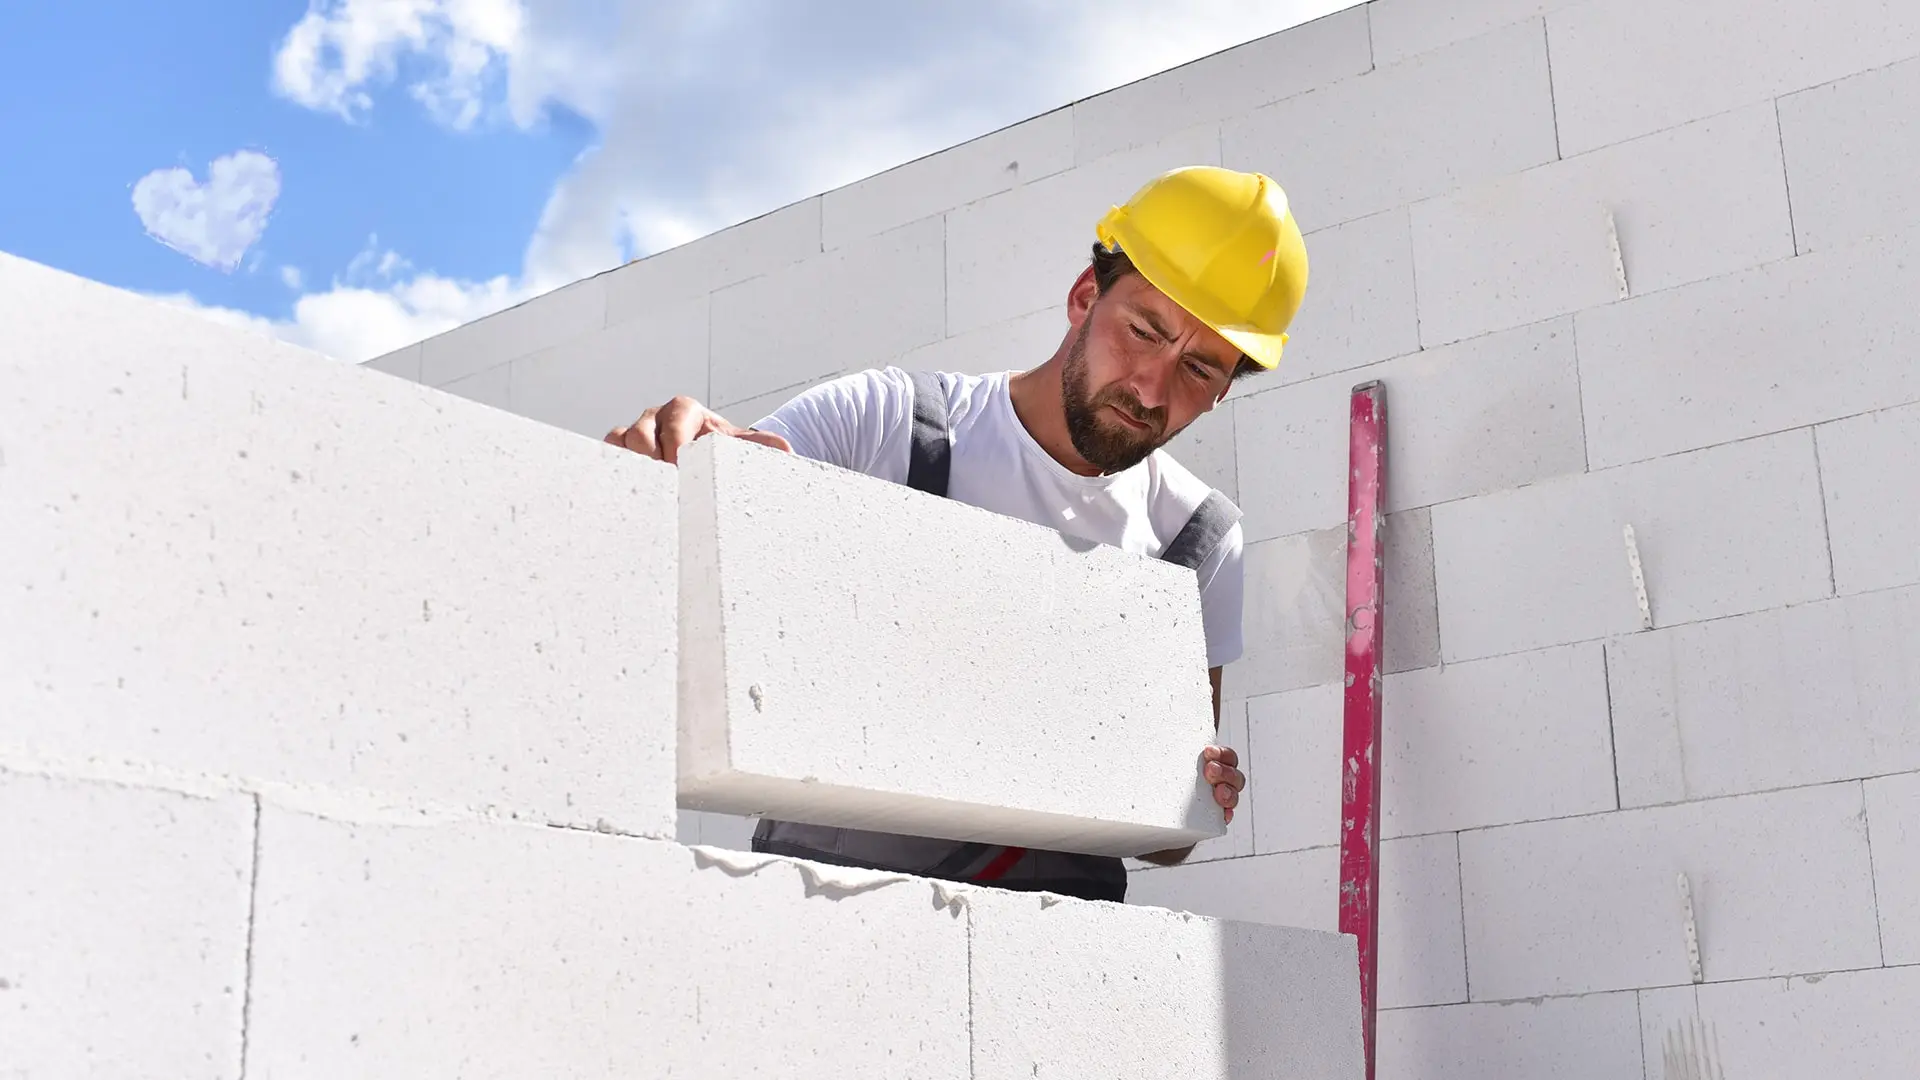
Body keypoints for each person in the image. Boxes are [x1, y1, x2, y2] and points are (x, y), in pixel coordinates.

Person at [607, 164, 1309, 902]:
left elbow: (1166, 838)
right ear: (1084, 296)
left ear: (1226, 387)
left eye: (1199, 369)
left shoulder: (1195, 539)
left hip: (1042, 941)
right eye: (1143, 331)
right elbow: (729, 507)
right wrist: (690, 461)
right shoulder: (885, 425)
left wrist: (1196, 796)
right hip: (823, 910)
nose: (1151, 388)